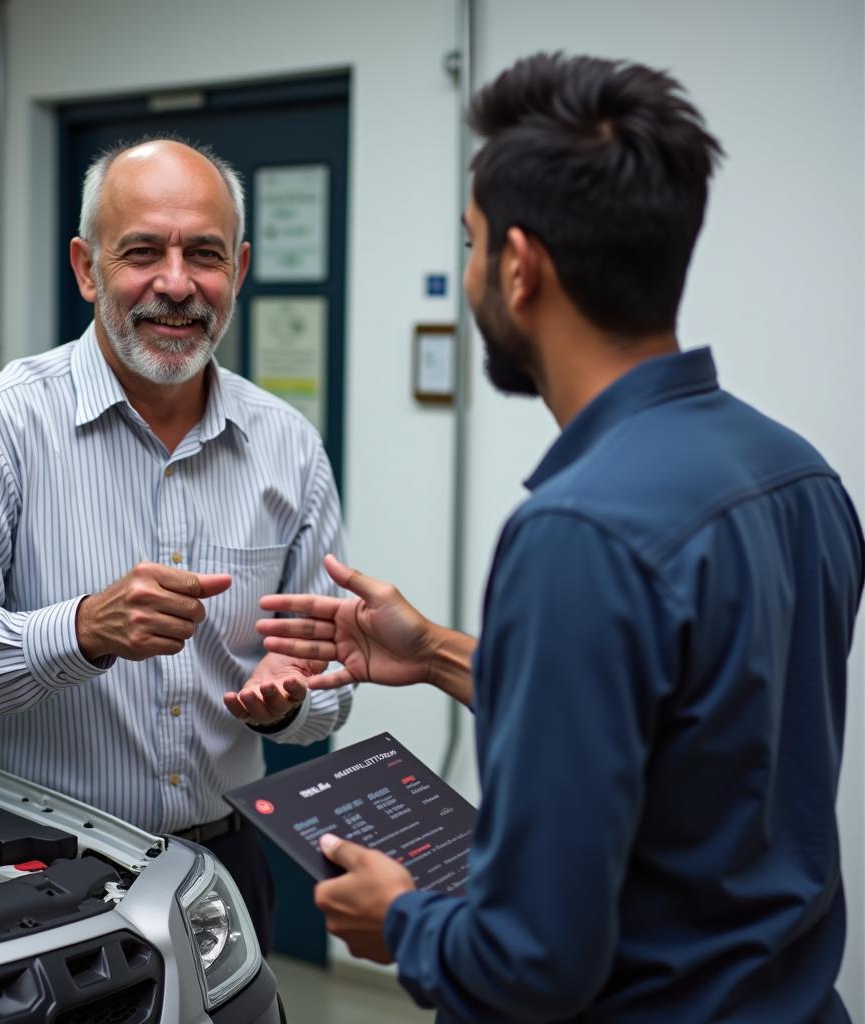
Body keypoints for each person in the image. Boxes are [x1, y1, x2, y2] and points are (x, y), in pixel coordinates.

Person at [253, 53, 864, 1022]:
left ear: (519, 266)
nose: (465, 276)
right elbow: (690, 734)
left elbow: (533, 961)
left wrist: (400, 918)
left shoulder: (576, 531)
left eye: (469, 242)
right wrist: (442, 652)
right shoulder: (798, 473)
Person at [0, 137, 354, 951]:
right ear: (87, 268)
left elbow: (333, 685)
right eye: (142, 252)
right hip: (37, 868)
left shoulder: (289, 446)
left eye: (203, 253)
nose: (176, 283)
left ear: (236, 269)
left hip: (224, 869)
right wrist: (81, 630)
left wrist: (299, 697)